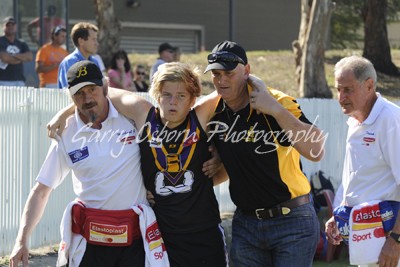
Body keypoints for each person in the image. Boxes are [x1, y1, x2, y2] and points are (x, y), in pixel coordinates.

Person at [48, 62, 229, 266]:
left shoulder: (200, 117)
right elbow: (97, 93)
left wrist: (220, 160)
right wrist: (65, 112)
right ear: (156, 94)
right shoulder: (145, 116)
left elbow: (237, 85)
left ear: (193, 99)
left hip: (204, 232)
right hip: (162, 234)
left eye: (181, 96)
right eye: (167, 94)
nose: (173, 102)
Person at [9, 60, 168, 267]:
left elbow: (148, 108)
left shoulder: (130, 117)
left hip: (134, 242)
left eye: (92, 89)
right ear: (71, 97)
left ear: (105, 88)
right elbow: (41, 191)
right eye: (79, 94)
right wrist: (21, 240)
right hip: (89, 244)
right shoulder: (65, 133)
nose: (87, 98)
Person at [204, 40, 326, 267]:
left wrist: (275, 110)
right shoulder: (214, 113)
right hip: (246, 224)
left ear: (247, 71)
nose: (221, 80)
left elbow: (316, 150)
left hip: (292, 221)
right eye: (216, 74)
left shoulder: (277, 101)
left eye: (228, 73)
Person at [325, 55, 400, 267]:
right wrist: (340, 214)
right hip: (368, 240)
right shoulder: (355, 122)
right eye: (338, 89)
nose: (341, 97)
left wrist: (395, 241)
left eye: (348, 89)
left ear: (369, 86)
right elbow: (356, 176)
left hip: (389, 241)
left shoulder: (390, 120)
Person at [58, 22, 99, 89]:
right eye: (93, 39)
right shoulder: (69, 62)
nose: (97, 43)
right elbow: (69, 91)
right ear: (81, 41)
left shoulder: (95, 61)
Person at [0, 16, 33, 86]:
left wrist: (11, 55)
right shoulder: (1, 41)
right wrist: (21, 59)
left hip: (19, 80)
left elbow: (29, 57)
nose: (10, 27)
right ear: (3, 27)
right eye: (8, 25)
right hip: (3, 80)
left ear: (16, 27)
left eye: (13, 25)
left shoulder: (21, 43)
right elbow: (5, 58)